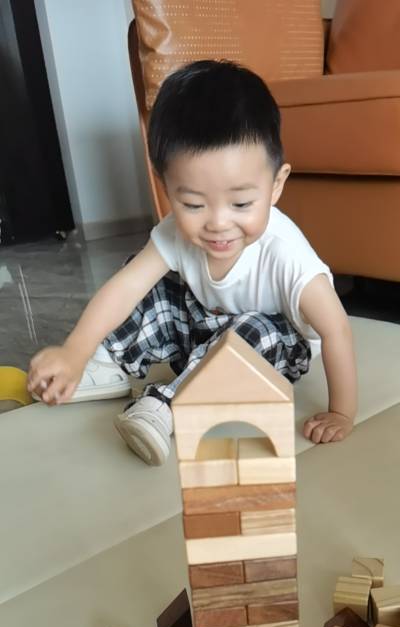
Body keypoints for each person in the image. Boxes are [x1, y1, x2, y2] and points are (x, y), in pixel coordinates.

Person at [28, 59, 358, 466]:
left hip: (266, 352)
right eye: (193, 204)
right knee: (146, 279)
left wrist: (342, 412)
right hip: (198, 333)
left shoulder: (286, 254)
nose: (218, 223)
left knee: (257, 329)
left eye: (241, 203)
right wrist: (74, 351)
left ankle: (166, 406)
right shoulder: (174, 233)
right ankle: (105, 364)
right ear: (166, 188)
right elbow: (125, 288)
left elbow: (336, 329)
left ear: (276, 185)